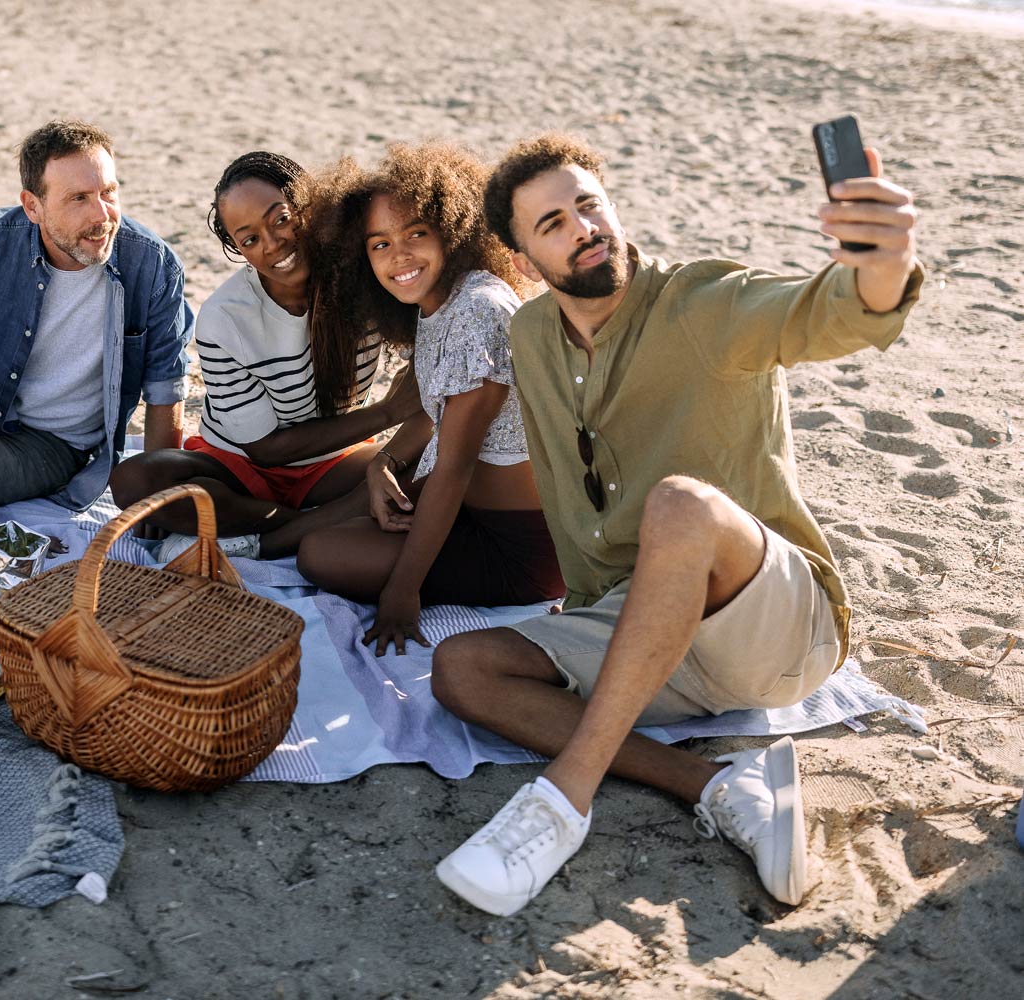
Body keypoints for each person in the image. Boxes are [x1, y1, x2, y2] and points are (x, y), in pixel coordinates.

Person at [430, 134, 922, 916]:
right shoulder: (530, 339)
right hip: (648, 630)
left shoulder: (705, 301)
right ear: (524, 260)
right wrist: (584, 613)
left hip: (776, 626)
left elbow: (829, 313)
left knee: (680, 505)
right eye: (552, 223)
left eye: (589, 205)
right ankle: (721, 788)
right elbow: (564, 489)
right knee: (460, 668)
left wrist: (880, 261)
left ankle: (562, 802)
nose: (582, 227)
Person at [292, 143, 565, 656]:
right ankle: (252, 543)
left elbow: (456, 466)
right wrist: (386, 463)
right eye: (379, 244)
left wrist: (403, 589)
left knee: (322, 554)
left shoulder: (478, 309)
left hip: (519, 549)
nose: (400, 256)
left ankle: (265, 544)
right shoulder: (440, 299)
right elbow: (437, 412)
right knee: (353, 498)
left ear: (452, 232)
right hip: (470, 511)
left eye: (416, 233)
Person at [107, 152, 419, 559]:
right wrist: (387, 412)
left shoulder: (367, 278)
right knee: (137, 480)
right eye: (250, 239)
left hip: (334, 463)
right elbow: (267, 450)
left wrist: (388, 454)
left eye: (281, 219)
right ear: (237, 248)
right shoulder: (225, 317)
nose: (273, 244)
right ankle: (312, 524)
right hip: (239, 468)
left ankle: (262, 530)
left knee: (432, 466)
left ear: (309, 205)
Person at [0, 119, 194, 509]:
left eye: (108, 192)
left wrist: (160, 503)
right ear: (33, 206)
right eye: (78, 198)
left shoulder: (153, 265)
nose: (102, 215)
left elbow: (167, 392)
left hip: (50, 443)